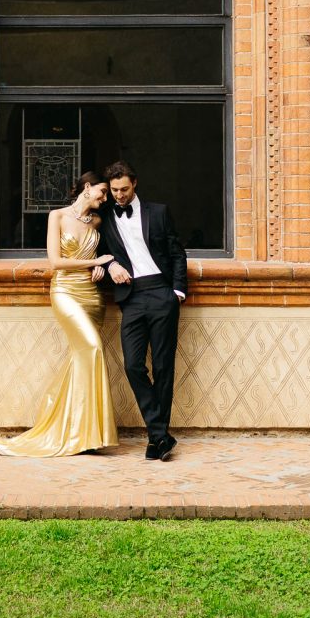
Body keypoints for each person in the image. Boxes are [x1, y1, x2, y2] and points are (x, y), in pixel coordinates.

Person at [0, 172, 118, 457]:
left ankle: (83, 434)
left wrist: (102, 267)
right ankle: (76, 432)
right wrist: (95, 260)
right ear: (87, 187)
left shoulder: (98, 221)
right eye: (103, 191)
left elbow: (111, 255)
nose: (105, 198)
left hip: (93, 296)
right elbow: (56, 261)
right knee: (93, 349)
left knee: (81, 359)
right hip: (66, 293)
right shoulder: (57, 216)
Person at [98, 160, 187, 461]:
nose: (119, 195)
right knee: (133, 365)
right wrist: (110, 265)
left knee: (163, 368)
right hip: (132, 297)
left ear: (134, 184)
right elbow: (95, 251)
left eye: (124, 189)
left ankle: (155, 438)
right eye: (114, 191)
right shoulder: (104, 216)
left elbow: (176, 252)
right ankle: (161, 435)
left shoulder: (158, 212)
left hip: (162, 293)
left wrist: (176, 291)